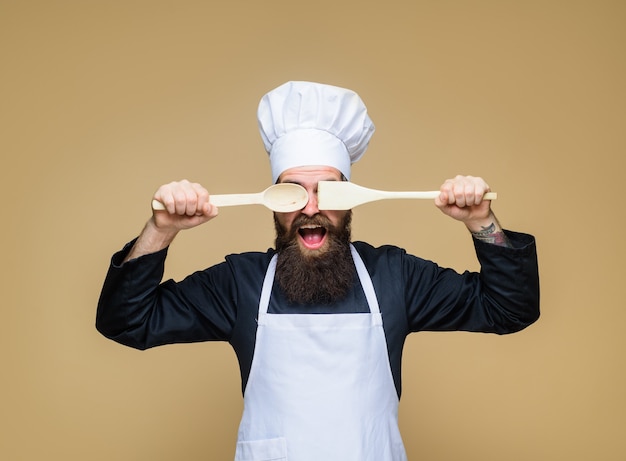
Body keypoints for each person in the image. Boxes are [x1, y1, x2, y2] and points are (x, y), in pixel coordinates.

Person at [96, 81, 540, 461]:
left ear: (349, 198)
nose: (312, 209)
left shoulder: (394, 277)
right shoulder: (241, 285)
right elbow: (126, 321)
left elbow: (509, 309)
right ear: (275, 201)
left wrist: (481, 222)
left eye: (326, 191)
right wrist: (162, 229)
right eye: (293, 192)